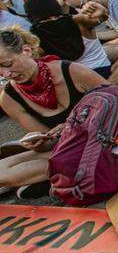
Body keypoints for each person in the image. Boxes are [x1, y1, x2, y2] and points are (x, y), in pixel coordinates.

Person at [0, 26, 106, 198]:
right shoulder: (9, 98)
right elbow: (49, 143)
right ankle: (72, 176)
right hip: (65, 150)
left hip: (101, 139)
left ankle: (58, 180)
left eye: (7, 64)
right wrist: (39, 142)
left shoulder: (70, 71)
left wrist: (74, 124)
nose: (6, 73)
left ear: (26, 51)